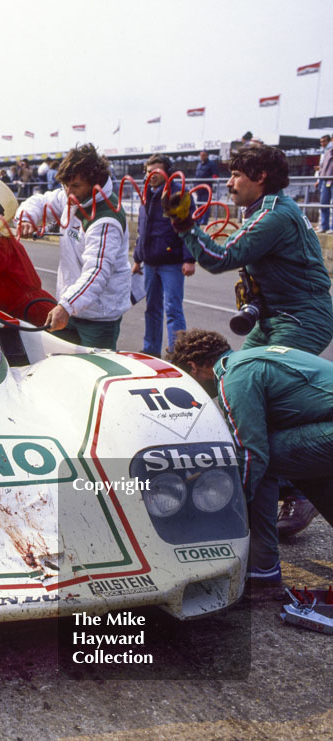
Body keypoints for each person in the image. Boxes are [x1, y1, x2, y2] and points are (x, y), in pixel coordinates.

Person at [168, 329, 333, 586]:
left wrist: (226, 505)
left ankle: (262, 567)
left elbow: (251, 454)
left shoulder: (233, 378)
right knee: (302, 465)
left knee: (259, 462)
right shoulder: (252, 358)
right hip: (325, 425)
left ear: (192, 368)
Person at [163, 143, 333, 356]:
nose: (229, 183)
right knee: (235, 372)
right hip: (276, 316)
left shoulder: (273, 217)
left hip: (301, 321)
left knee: (260, 378)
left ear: (261, 177)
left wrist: (185, 224)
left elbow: (219, 258)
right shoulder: (276, 207)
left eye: (236, 175)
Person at [15, 143, 132, 350]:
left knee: (94, 373)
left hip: (98, 317)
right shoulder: (71, 196)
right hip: (71, 307)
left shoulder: (106, 219)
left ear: (94, 183)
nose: (69, 192)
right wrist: (26, 218)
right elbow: (40, 201)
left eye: (76, 186)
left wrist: (66, 306)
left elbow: (96, 272)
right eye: (65, 185)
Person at [132, 155, 196, 356]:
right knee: (152, 309)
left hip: (172, 262)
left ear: (167, 173)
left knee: (173, 309)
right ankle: (151, 350)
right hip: (150, 261)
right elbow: (143, 230)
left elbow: (190, 228)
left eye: (157, 171)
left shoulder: (179, 194)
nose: (152, 176)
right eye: (149, 172)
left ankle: (178, 353)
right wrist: (137, 258)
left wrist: (189, 259)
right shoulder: (146, 195)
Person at [194, 150, 219, 225]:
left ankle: (204, 220)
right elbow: (197, 175)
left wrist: (207, 180)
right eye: (201, 155)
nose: (202, 156)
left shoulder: (211, 164)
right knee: (199, 204)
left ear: (207, 155)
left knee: (205, 204)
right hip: (198, 188)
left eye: (204, 155)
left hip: (206, 188)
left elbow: (215, 175)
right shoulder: (199, 164)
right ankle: (199, 219)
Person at [316, 133, 332, 234]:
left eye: (324, 141)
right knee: (324, 204)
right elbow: (323, 166)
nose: (322, 144)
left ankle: (331, 227)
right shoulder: (326, 151)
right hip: (325, 180)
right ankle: (324, 226)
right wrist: (320, 176)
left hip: (330, 179)